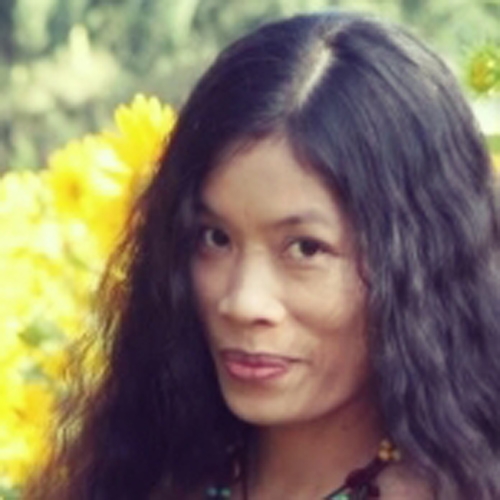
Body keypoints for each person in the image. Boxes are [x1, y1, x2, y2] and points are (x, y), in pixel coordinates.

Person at [26, 10, 500, 500]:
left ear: (422, 263)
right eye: (214, 238)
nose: (242, 302)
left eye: (305, 248)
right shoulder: (149, 475)